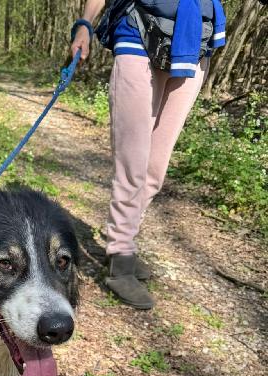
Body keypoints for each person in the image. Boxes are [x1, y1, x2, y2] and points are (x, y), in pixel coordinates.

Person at [70, 0, 226, 309]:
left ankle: (122, 241)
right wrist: (85, 24)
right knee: (133, 163)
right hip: (138, 38)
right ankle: (121, 257)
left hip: (195, 45)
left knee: (155, 167)